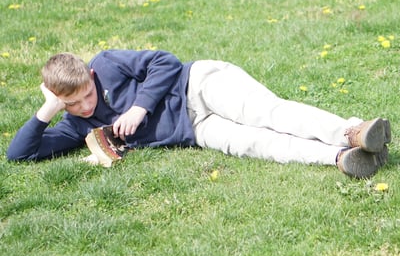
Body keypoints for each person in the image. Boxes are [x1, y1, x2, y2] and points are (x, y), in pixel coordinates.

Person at [7, 49, 391, 178]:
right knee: (257, 145)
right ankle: (342, 157)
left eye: (87, 94)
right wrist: (48, 110)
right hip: (198, 129)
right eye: (72, 103)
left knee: (269, 113)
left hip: (199, 83)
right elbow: (19, 155)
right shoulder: (76, 123)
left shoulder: (106, 64)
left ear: (91, 76)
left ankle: (354, 131)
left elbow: (165, 62)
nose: (86, 106)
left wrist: (140, 108)